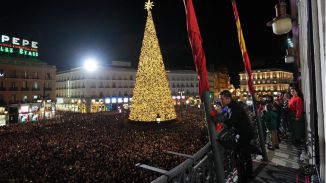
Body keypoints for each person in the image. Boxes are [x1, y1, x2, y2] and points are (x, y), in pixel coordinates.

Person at [219, 90, 255, 181]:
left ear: (228, 99)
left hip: (244, 135)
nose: (221, 101)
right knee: (245, 155)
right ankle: (247, 173)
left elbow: (230, 122)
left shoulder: (235, 108)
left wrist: (220, 114)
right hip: (243, 134)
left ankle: (247, 175)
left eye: (222, 99)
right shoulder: (233, 107)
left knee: (244, 155)